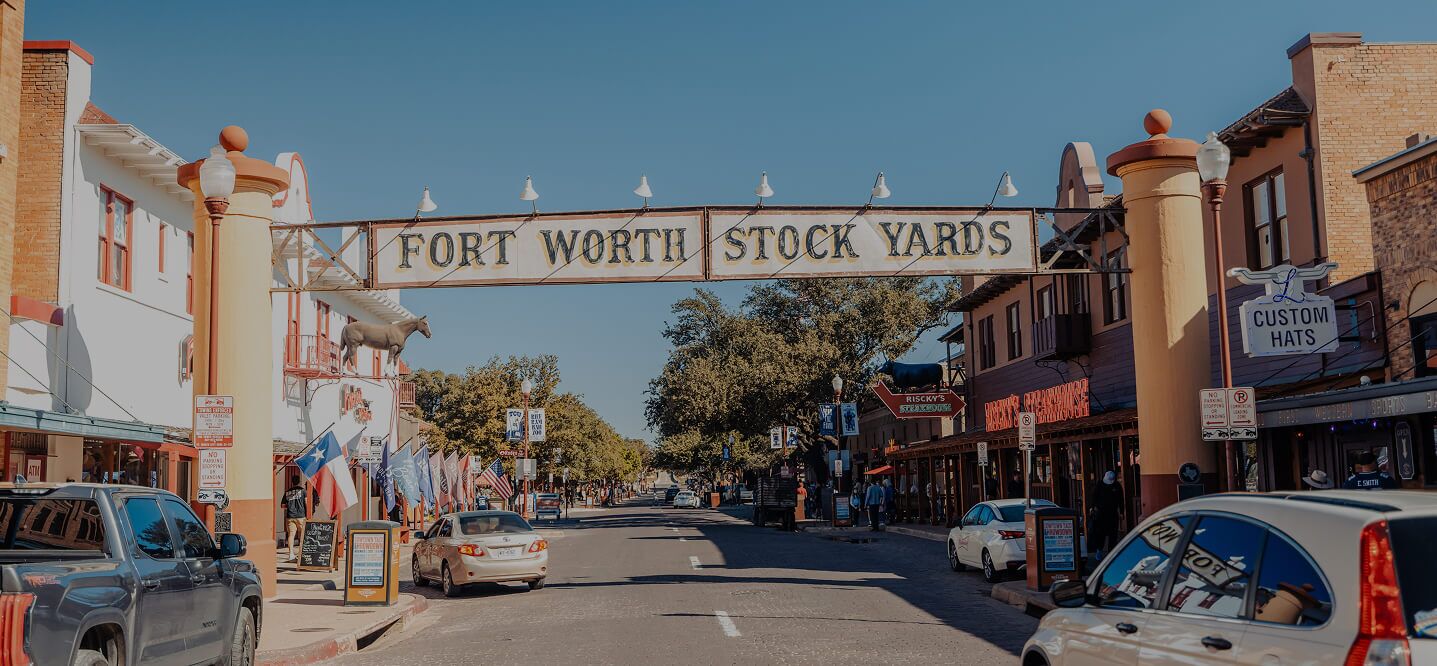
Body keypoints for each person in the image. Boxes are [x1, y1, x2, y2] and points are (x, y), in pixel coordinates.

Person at [1088, 471, 1126, 561]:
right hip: (1101, 513)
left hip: (1113, 513)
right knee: (1100, 533)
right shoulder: (1099, 485)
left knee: (1113, 533)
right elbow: (1094, 497)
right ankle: (1099, 550)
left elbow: (1121, 499)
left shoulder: (1117, 486)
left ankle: (1111, 553)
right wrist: (1092, 507)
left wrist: (1121, 511)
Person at [282, 475, 308, 563]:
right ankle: (301, 554)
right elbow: (306, 502)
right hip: (301, 516)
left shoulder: (287, 492)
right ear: (299, 482)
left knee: (291, 535)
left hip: (290, 516)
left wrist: (290, 506)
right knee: (303, 535)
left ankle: (291, 554)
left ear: (292, 482)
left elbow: (282, 506)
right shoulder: (303, 491)